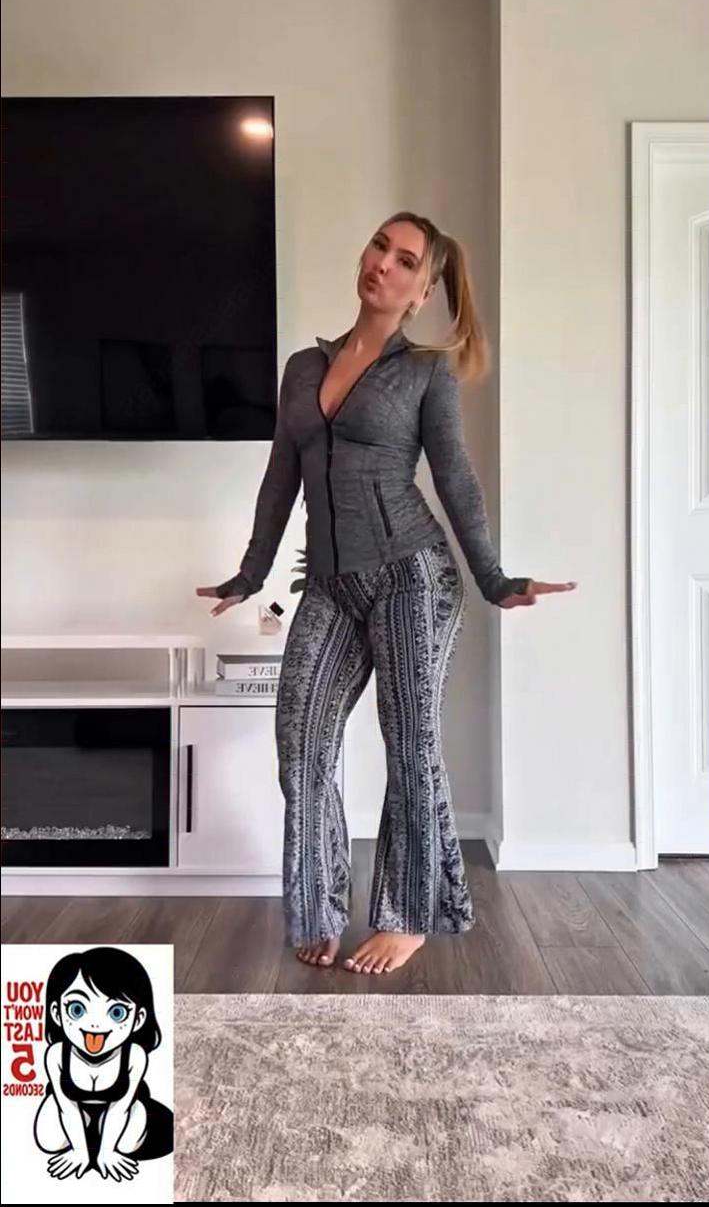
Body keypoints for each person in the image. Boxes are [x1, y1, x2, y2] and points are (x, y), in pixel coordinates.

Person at [197, 211, 577, 975]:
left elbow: (456, 478)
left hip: (413, 577)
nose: (383, 264)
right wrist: (252, 570)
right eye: (380, 246)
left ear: (422, 291)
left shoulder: (426, 371)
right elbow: (281, 477)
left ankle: (409, 914)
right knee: (301, 741)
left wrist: (493, 576)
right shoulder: (304, 368)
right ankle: (319, 906)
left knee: (410, 745)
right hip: (330, 586)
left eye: (405, 261)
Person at [34, 946, 173, 1180]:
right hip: (73, 1110)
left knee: (127, 1144)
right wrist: (80, 1153)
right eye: (77, 1009)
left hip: (122, 1108)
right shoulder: (56, 1054)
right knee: (48, 1140)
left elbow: (121, 1108)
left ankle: (100, 1138)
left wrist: (106, 1153)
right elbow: (67, 1108)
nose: (96, 1024)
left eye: (117, 1012)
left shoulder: (135, 1055)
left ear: (138, 1019)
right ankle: (90, 1135)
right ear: (57, 1013)